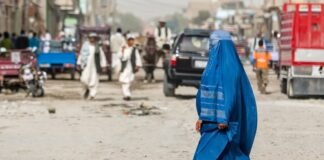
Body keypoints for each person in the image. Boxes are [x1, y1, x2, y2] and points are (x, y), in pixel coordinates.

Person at [194, 30, 257, 160]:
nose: (211, 48)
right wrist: (201, 117)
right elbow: (205, 92)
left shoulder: (230, 67)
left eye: (213, 44)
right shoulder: (211, 66)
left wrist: (224, 117)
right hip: (210, 123)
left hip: (224, 124)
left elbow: (230, 93)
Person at [77, 33, 107, 100]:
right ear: (89, 38)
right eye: (91, 38)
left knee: (94, 80)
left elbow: (102, 57)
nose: (92, 39)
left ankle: (92, 95)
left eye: (93, 38)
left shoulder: (98, 47)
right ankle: (87, 89)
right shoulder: (85, 46)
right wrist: (78, 63)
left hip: (95, 66)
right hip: (86, 66)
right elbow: (81, 55)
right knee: (84, 79)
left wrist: (104, 66)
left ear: (95, 39)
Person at [118, 35, 142, 101]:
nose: (131, 42)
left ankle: (127, 94)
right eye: (130, 40)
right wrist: (122, 51)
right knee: (124, 80)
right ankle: (127, 95)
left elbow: (137, 57)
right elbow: (119, 56)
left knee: (130, 80)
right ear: (127, 41)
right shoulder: (123, 48)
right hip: (124, 66)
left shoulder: (134, 49)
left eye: (132, 40)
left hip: (131, 66)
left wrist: (138, 65)